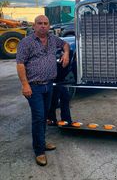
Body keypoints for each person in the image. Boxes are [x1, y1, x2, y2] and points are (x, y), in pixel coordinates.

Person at [16, 15, 70, 166]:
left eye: (46, 23)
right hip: (34, 86)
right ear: (34, 26)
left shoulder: (53, 39)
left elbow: (65, 44)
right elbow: (20, 64)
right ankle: (39, 151)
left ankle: (42, 141)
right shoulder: (26, 42)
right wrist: (25, 85)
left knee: (45, 115)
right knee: (39, 117)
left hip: (49, 85)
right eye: (39, 23)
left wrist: (66, 53)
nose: (43, 26)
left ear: (49, 25)